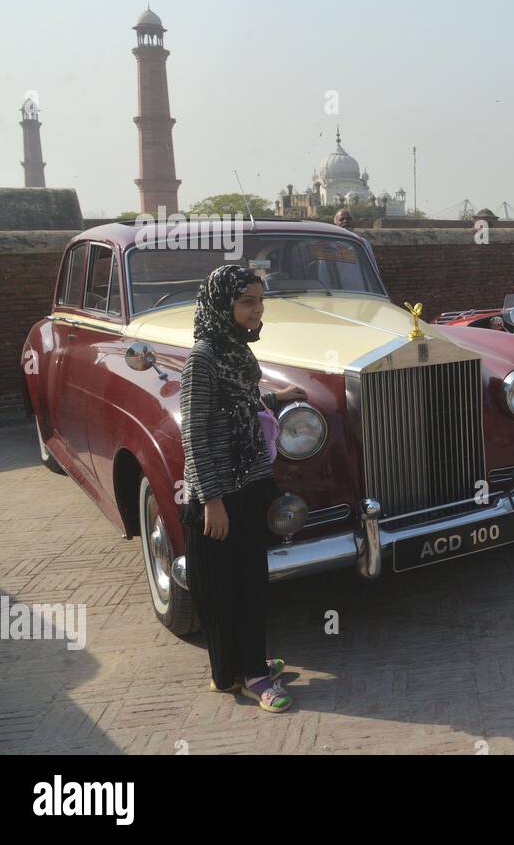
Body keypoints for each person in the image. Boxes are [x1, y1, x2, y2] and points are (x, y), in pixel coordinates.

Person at [180, 264, 306, 713]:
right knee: (231, 587)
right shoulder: (204, 357)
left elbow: (239, 405)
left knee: (250, 580)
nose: (257, 310)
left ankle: (239, 667)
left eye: (259, 301)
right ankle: (254, 676)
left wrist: (277, 398)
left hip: (248, 483)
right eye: (246, 302)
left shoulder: (235, 352)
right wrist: (211, 500)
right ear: (222, 305)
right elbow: (194, 433)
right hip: (221, 494)